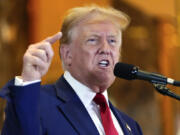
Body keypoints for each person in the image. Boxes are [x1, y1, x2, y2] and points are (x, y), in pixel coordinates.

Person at [0, 5, 143, 135]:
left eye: (112, 41)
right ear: (67, 54)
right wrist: (28, 82)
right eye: (93, 40)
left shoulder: (131, 126)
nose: (106, 49)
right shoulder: (37, 103)